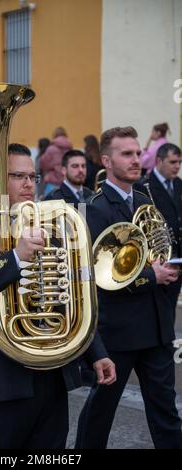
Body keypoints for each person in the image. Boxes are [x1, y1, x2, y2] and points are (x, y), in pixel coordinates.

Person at [0, 142, 116, 449]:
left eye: (32, 176)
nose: (27, 183)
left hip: (51, 378)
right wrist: (15, 257)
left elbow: (71, 296)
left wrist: (96, 351)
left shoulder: (51, 226)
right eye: (16, 175)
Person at [75, 126, 182, 449]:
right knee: (101, 412)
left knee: (166, 412)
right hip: (118, 332)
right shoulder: (94, 208)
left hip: (156, 326)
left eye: (137, 153)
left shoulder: (145, 199)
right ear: (106, 160)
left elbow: (159, 249)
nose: (136, 160)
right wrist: (153, 277)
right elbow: (98, 274)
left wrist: (164, 272)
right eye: (127, 154)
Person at [141, 143, 182, 319]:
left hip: (179, 253)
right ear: (159, 160)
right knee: (162, 306)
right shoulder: (145, 186)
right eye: (173, 162)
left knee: (172, 301)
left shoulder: (179, 184)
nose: (177, 166)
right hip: (161, 257)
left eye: (179, 162)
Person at [39, 127, 73, 198]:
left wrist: (51, 166)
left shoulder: (51, 148)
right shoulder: (70, 149)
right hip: (67, 182)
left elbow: (42, 163)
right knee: (68, 206)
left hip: (52, 183)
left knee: (49, 206)